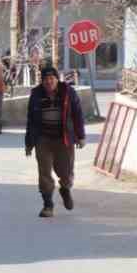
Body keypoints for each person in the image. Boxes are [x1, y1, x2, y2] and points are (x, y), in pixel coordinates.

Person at [24, 64, 87, 218]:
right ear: (42, 81)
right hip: (43, 139)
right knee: (44, 172)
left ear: (57, 79)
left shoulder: (68, 92)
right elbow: (31, 120)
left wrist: (81, 136)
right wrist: (29, 143)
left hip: (64, 138)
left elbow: (77, 114)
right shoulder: (36, 94)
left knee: (66, 172)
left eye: (52, 78)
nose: (49, 82)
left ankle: (65, 189)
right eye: (45, 79)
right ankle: (48, 205)